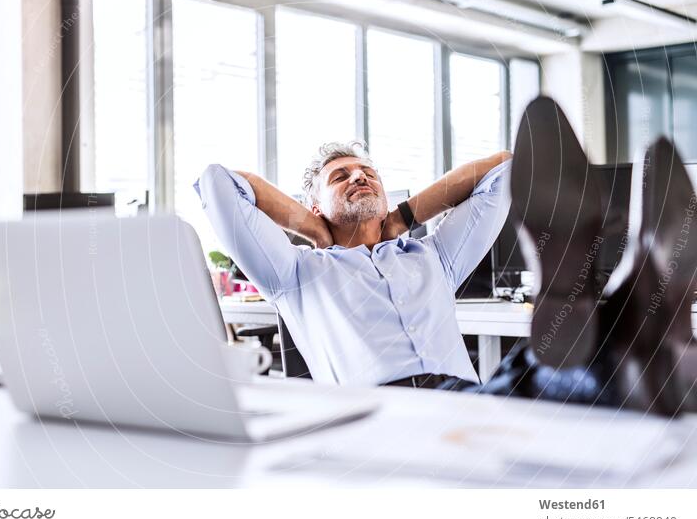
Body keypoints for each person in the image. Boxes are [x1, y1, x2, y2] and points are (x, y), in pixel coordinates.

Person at [194, 141, 512, 387]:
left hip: (466, 406)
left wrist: (403, 217)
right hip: (377, 421)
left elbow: (506, 168)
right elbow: (217, 182)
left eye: (368, 173)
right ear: (316, 207)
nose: (359, 176)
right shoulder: (294, 272)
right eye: (339, 177)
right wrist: (312, 228)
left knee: (545, 378)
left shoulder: (434, 256)